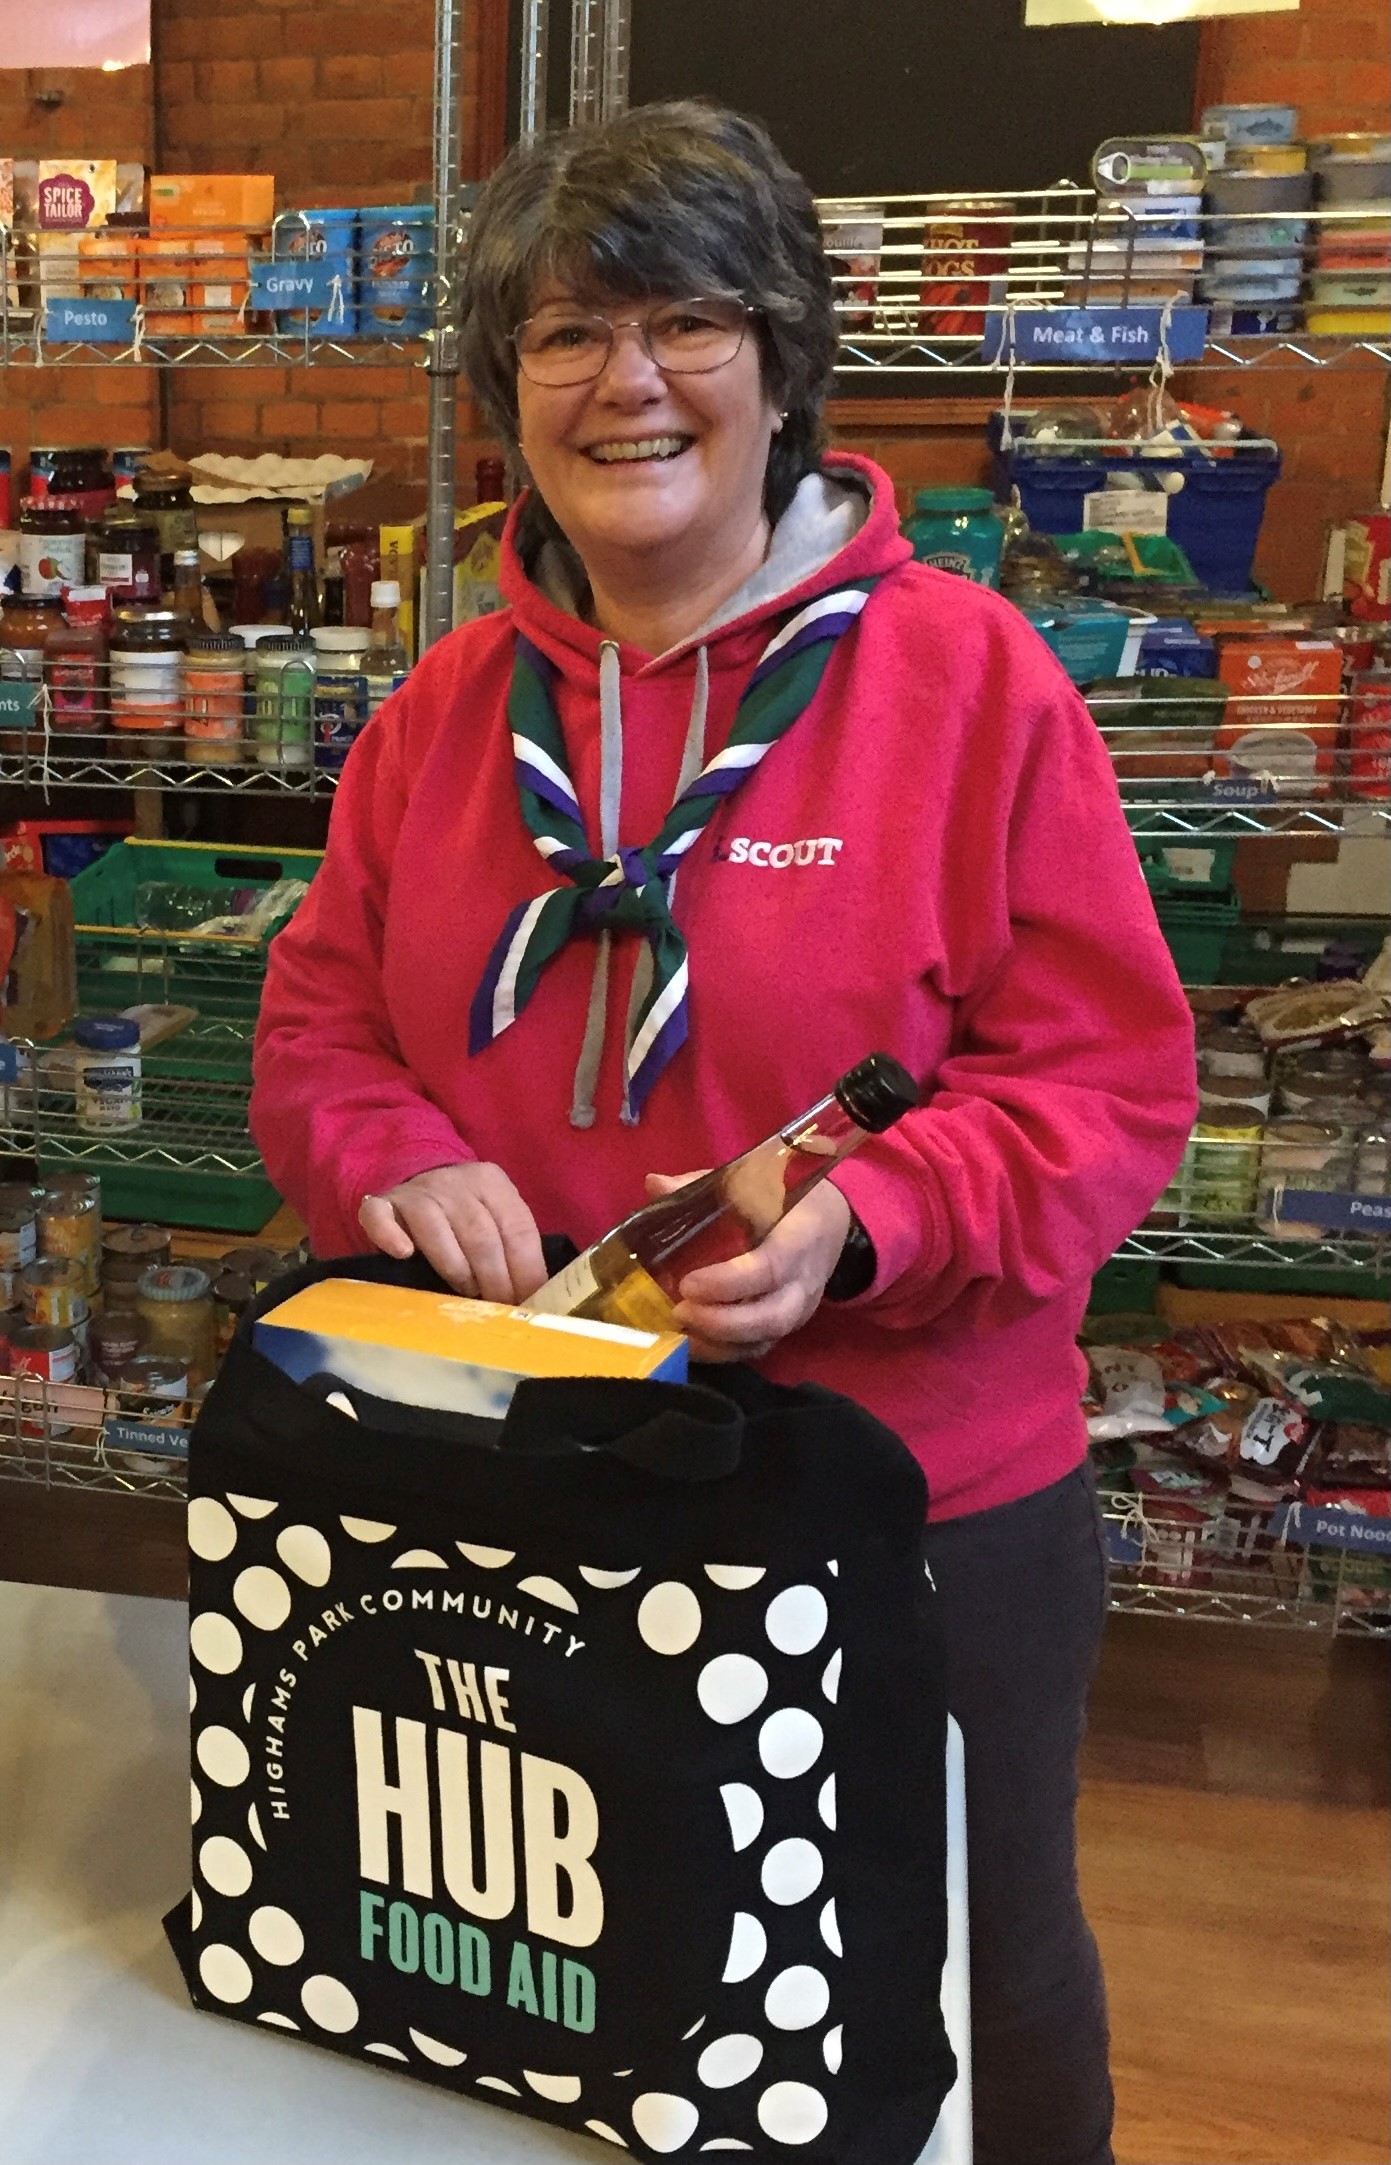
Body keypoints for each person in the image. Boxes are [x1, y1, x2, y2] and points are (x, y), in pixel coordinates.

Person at [251, 99, 1196, 2165]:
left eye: (691, 320)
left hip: (908, 1491)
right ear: (508, 394)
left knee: (959, 1952)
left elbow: (1110, 1086)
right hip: (525, 1468)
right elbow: (320, 1017)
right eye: (568, 335)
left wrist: (875, 1222)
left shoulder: (971, 681)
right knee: (604, 1934)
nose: (630, 381)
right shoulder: (439, 713)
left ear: (782, 366)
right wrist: (383, 1153)